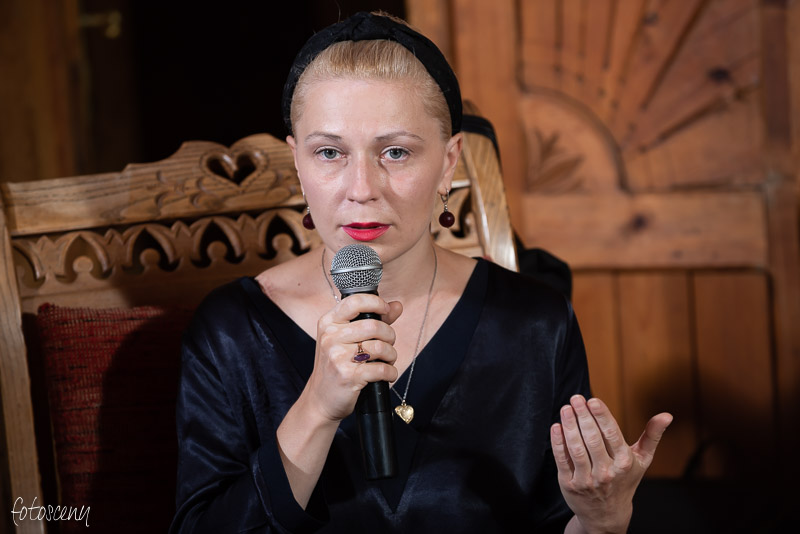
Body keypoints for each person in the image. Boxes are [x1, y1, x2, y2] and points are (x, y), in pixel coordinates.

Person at [170, 11, 672, 534]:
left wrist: (603, 520)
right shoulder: (229, 331)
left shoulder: (535, 322)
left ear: (449, 161)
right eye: (329, 152)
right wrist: (316, 408)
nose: (362, 189)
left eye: (395, 152)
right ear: (298, 163)